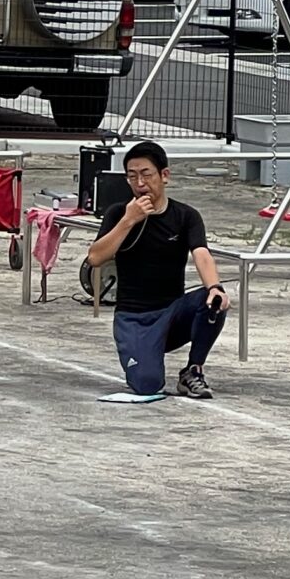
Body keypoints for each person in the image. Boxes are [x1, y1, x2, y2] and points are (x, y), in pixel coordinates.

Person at [84, 140, 228, 400]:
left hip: (171, 313)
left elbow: (202, 254)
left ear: (164, 176)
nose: (139, 183)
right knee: (148, 385)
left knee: (213, 300)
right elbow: (95, 257)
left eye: (146, 175)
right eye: (132, 176)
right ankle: (144, 358)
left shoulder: (185, 216)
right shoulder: (119, 213)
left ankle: (193, 371)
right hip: (134, 318)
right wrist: (129, 220)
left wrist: (215, 287)